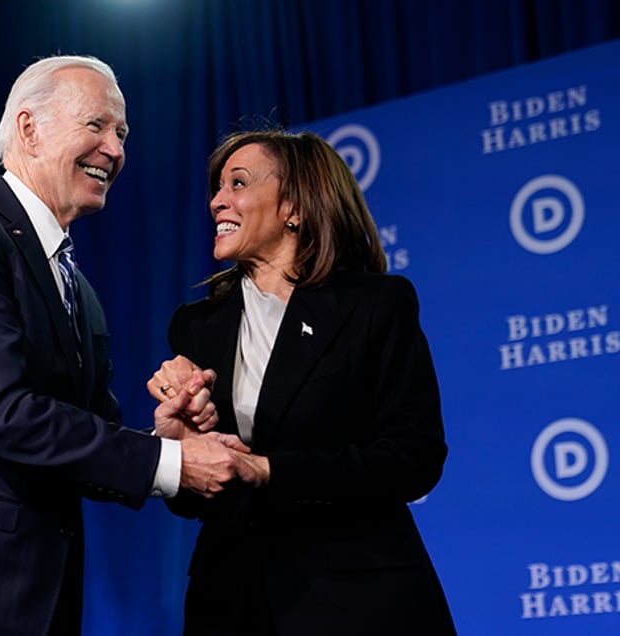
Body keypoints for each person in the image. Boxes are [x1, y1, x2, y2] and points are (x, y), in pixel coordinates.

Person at [0, 54, 257, 635]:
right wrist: (171, 464)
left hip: (37, 597)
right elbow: (1, 414)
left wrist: (166, 436)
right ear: (29, 129)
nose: (115, 150)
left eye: (122, 133)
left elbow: (82, 437)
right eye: (97, 125)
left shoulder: (77, 289)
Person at [148, 129, 457, 635]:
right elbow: (195, 499)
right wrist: (179, 448)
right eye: (217, 186)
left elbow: (413, 458)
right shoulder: (197, 325)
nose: (217, 201)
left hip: (356, 601)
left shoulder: (375, 304)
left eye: (238, 183)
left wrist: (270, 470)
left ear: (294, 205)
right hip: (231, 600)